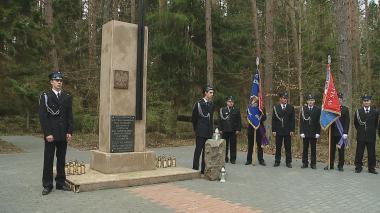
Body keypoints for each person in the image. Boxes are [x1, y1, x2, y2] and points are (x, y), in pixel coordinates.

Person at [39, 71, 73, 195]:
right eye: (56, 80)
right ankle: (47, 185)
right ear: (51, 82)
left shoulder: (67, 96)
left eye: (61, 80)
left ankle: (60, 183)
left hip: (63, 133)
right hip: (51, 134)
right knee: (48, 159)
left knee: (61, 159)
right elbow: (43, 116)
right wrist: (47, 133)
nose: (59, 82)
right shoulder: (45, 96)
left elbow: (70, 115)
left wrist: (70, 131)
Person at [192, 85, 214, 174]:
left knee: (206, 152)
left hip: (208, 132)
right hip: (200, 131)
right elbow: (194, 118)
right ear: (205, 93)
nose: (212, 94)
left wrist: (211, 131)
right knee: (198, 150)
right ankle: (194, 169)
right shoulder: (199, 104)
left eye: (212, 93)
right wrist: (196, 129)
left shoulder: (211, 104)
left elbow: (211, 119)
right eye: (210, 92)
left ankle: (203, 170)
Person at [354, 94, 379, 174]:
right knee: (359, 152)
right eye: (365, 101)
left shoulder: (375, 112)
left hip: (371, 136)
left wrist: (371, 130)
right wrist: (361, 131)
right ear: (363, 102)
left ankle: (371, 168)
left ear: (370, 102)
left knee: (371, 152)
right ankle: (358, 167)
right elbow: (356, 123)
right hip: (361, 135)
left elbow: (376, 124)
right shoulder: (358, 111)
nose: (366, 102)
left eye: (367, 101)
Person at [325, 92, 350, 171]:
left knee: (341, 151)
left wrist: (345, 132)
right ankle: (330, 165)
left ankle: (340, 165)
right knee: (331, 150)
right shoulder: (331, 109)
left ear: (342, 100)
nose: (339, 100)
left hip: (341, 133)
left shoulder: (345, 109)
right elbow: (328, 120)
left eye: (340, 99)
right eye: (337, 99)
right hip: (332, 133)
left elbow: (347, 122)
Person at [272, 92, 295, 168]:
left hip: (288, 130)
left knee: (288, 147)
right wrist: (274, 130)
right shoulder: (276, 107)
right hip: (278, 130)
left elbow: (292, 120)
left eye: (286, 98)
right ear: (280, 99)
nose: (285, 100)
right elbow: (274, 120)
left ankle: (288, 162)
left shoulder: (290, 107)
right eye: (283, 98)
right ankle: (277, 161)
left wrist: (292, 130)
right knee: (278, 147)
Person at [300, 94, 321, 169]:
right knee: (305, 148)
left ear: (314, 101)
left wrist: (318, 132)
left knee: (313, 148)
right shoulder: (304, 109)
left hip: (313, 132)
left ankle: (313, 163)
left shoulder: (317, 109)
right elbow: (301, 121)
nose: (310, 102)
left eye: (312, 100)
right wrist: (301, 132)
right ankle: (305, 163)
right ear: (307, 101)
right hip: (305, 132)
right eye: (309, 100)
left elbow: (318, 122)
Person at [219, 96, 241, 164]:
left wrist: (238, 129)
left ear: (233, 103)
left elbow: (239, 120)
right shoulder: (222, 109)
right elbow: (220, 120)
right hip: (225, 130)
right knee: (224, 145)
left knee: (233, 145)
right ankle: (225, 157)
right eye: (229, 101)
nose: (230, 103)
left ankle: (233, 158)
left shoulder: (236, 110)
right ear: (227, 102)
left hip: (233, 130)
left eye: (232, 102)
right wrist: (220, 129)